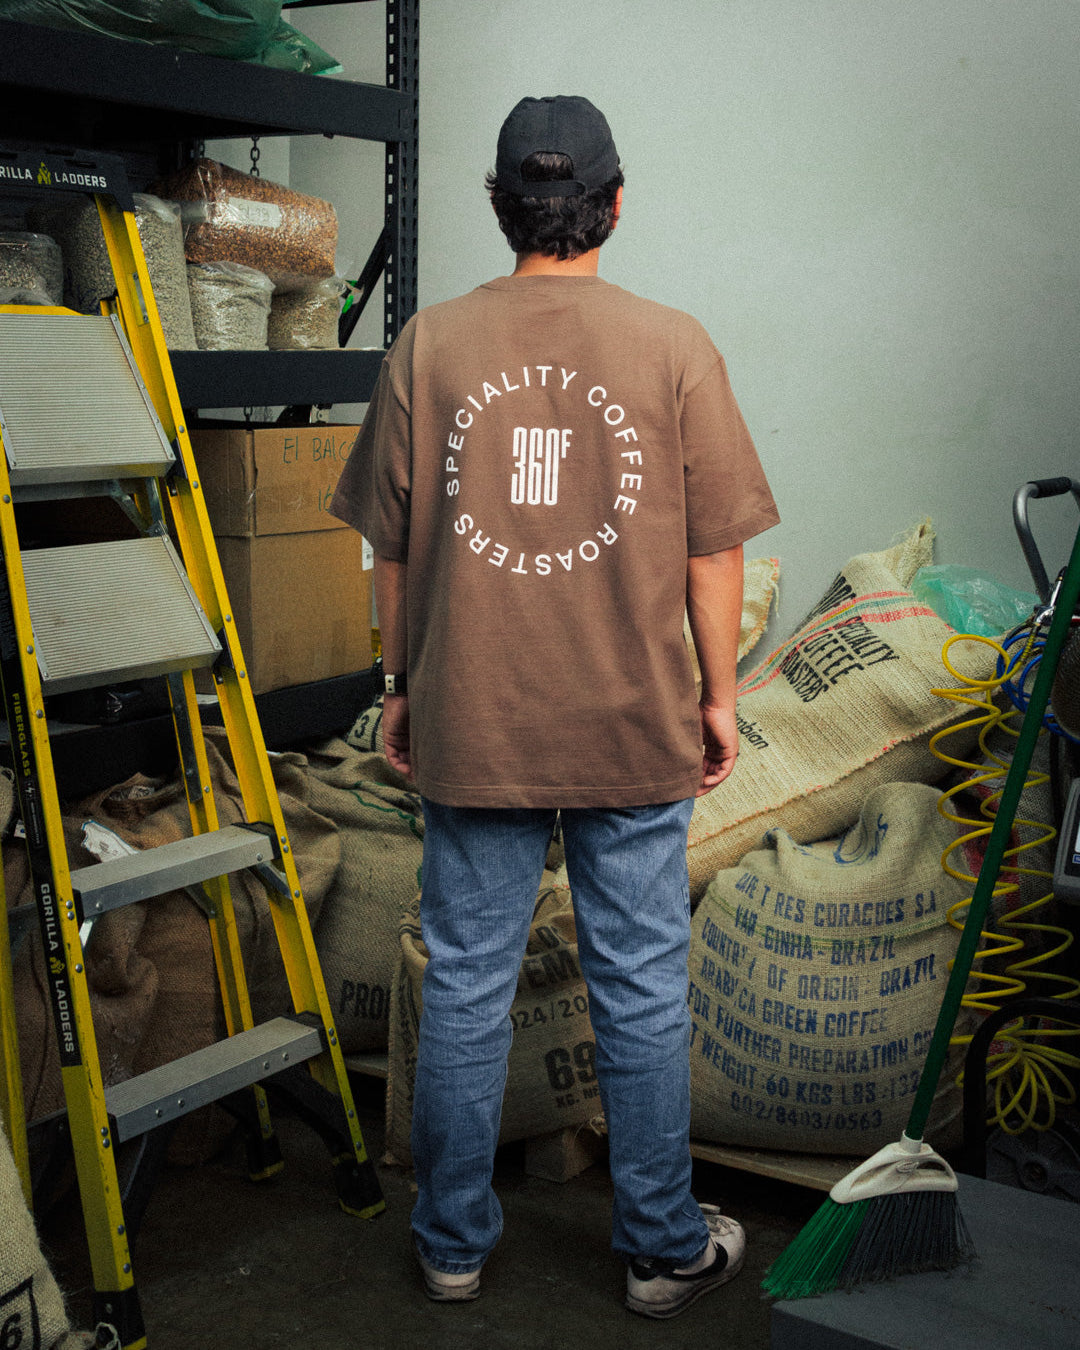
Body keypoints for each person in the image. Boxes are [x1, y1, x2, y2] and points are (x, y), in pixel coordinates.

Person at [330, 94, 780, 1319]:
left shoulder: (429, 345)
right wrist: (721, 698)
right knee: (640, 981)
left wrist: (402, 684)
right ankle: (660, 1249)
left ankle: (453, 1243)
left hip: (477, 718)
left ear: (499, 205)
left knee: (466, 979)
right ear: (614, 203)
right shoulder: (674, 345)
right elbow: (712, 554)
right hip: (634, 723)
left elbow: (392, 549)